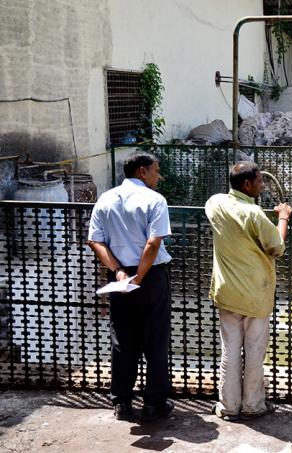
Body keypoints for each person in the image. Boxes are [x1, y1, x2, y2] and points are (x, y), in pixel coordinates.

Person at [87, 152, 174, 422]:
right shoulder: (155, 200)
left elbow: (95, 241)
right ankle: (154, 402)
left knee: (123, 340)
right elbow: (153, 243)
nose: (159, 176)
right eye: (156, 170)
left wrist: (119, 272)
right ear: (142, 171)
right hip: (151, 276)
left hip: (121, 279)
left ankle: (122, 402)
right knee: (155, 339)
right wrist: (140, 276)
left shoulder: (106, 198)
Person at [205, 161, 292, 421]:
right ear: (247, 184)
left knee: (229, 351)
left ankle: (228, 406)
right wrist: (283, 217)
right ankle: (253, 405)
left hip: (226, 292)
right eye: (258, 181)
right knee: (254, 351)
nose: (261, 185)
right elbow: (276, 246)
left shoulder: (215, 203)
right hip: (255, 294)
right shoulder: (254, 215)